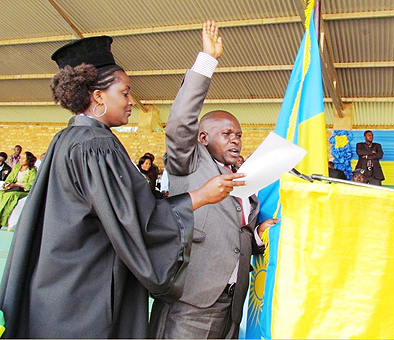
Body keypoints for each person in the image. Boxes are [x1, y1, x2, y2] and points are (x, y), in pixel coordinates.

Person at [0, 35, 244, 339]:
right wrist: (199, 196)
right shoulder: (96, 146)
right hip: (87, 290)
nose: (131, 101)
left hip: (59, 280)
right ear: (99, 97)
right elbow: (135, 220)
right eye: (125, 92)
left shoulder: (68, 139)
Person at [150, 21, 277, 339]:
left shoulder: (245, 177)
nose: (236, 140)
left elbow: (239, 232)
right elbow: (179, 121)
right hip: (191, 303)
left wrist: (258, 235)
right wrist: (208, 60)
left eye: (239, 135)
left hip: (232, 303)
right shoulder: (189, 163)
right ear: (203, 138)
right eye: (227, 134)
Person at [0, 151, 37, 229]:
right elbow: (10, 178)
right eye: (20, 158)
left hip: (23, 190)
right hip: (13, 188)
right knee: (1, 194)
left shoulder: (32, 170)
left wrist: (17, 185)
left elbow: (31, 184)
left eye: (24, 158)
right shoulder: (17, 167)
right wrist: (7, 184)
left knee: (11, 196)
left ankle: (3, 220)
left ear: (28, 160)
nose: (21, 160)